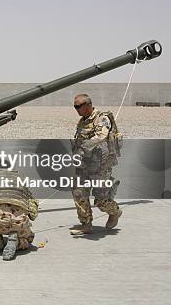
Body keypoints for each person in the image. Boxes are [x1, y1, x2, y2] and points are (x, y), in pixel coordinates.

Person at [70, 93, 122, 235]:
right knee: (78, 191)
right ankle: (86, 224)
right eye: (75, 106)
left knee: (100, 199)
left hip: (101, 164)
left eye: (78, 106)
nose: (76, 109)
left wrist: (83, 149)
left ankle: (115, 212)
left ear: (88, 105)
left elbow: (101, 136)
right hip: (84, 164)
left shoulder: (102, 118)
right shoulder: (83, 121)